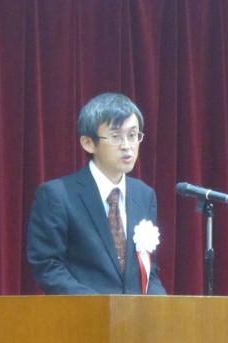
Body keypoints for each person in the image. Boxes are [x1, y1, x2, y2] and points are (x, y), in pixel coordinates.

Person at [27, 92, 166, 294]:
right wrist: (101, 306)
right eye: (116, 136)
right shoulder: (57, 195)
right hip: (83, 311)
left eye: (133, 135)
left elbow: (149, 270)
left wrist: (164, 307)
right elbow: (48, 267)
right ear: (88, 143)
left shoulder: (144, 195)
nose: (127, 146)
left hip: (135, 313)